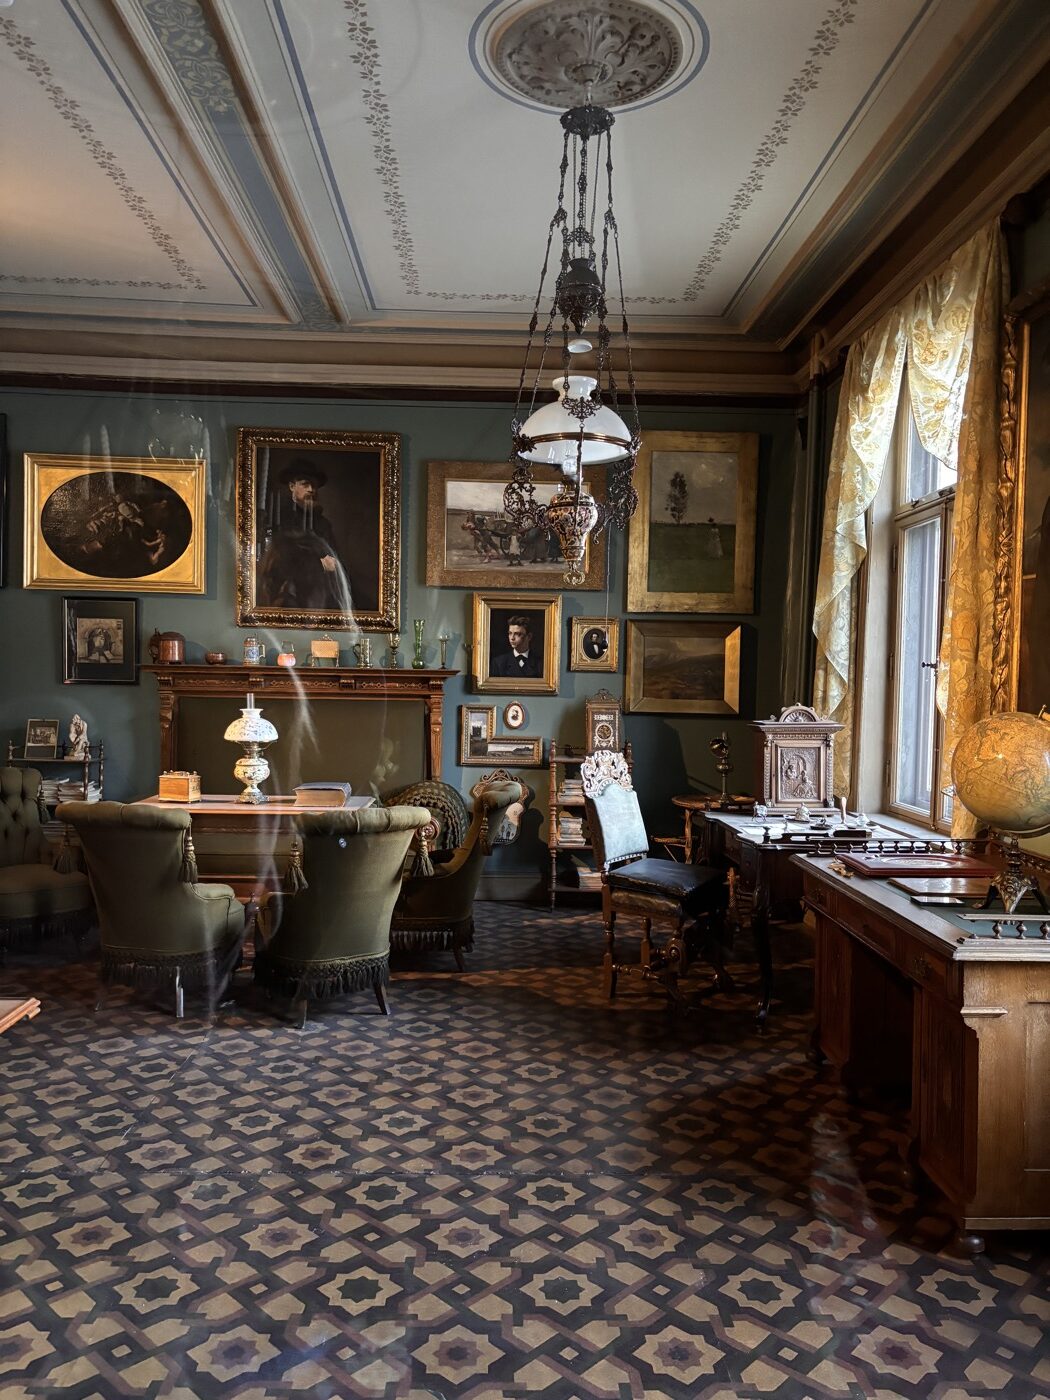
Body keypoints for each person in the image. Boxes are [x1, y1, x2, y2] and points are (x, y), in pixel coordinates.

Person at [258, 459, 349, 610]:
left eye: (315, 485)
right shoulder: (281, 520)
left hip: (320, 596)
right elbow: (281, 564)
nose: (312, 489)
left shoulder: (323, 524)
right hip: (290, 596)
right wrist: (320, 564)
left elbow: (335, 563)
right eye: (306, 484)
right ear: (292, 486)